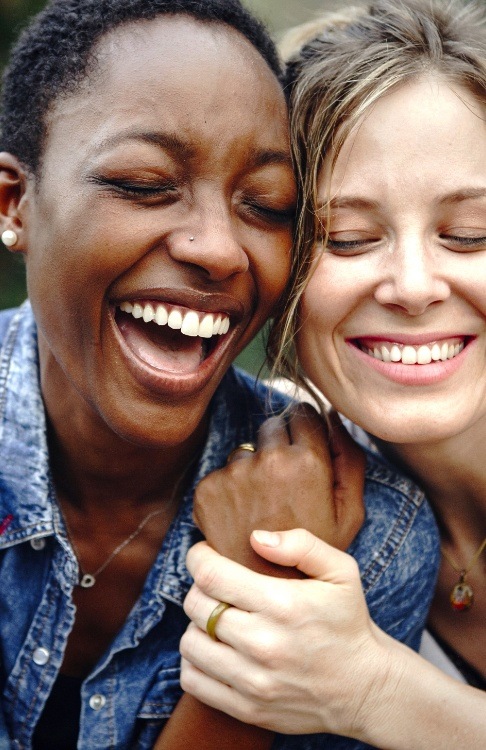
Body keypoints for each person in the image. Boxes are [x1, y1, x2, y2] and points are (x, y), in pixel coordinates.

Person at [0, 0, 439, 748]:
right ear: (15, 204)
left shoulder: (370, 541)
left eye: (267, 205)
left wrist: (279, 594)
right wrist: (260, 614)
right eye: (144, 183)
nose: (219, 249)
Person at [179, 0, 486, 747]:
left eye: (470, 233)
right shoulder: (276, 466)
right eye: (346, 239)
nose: (413, 286)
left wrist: (377, 691)